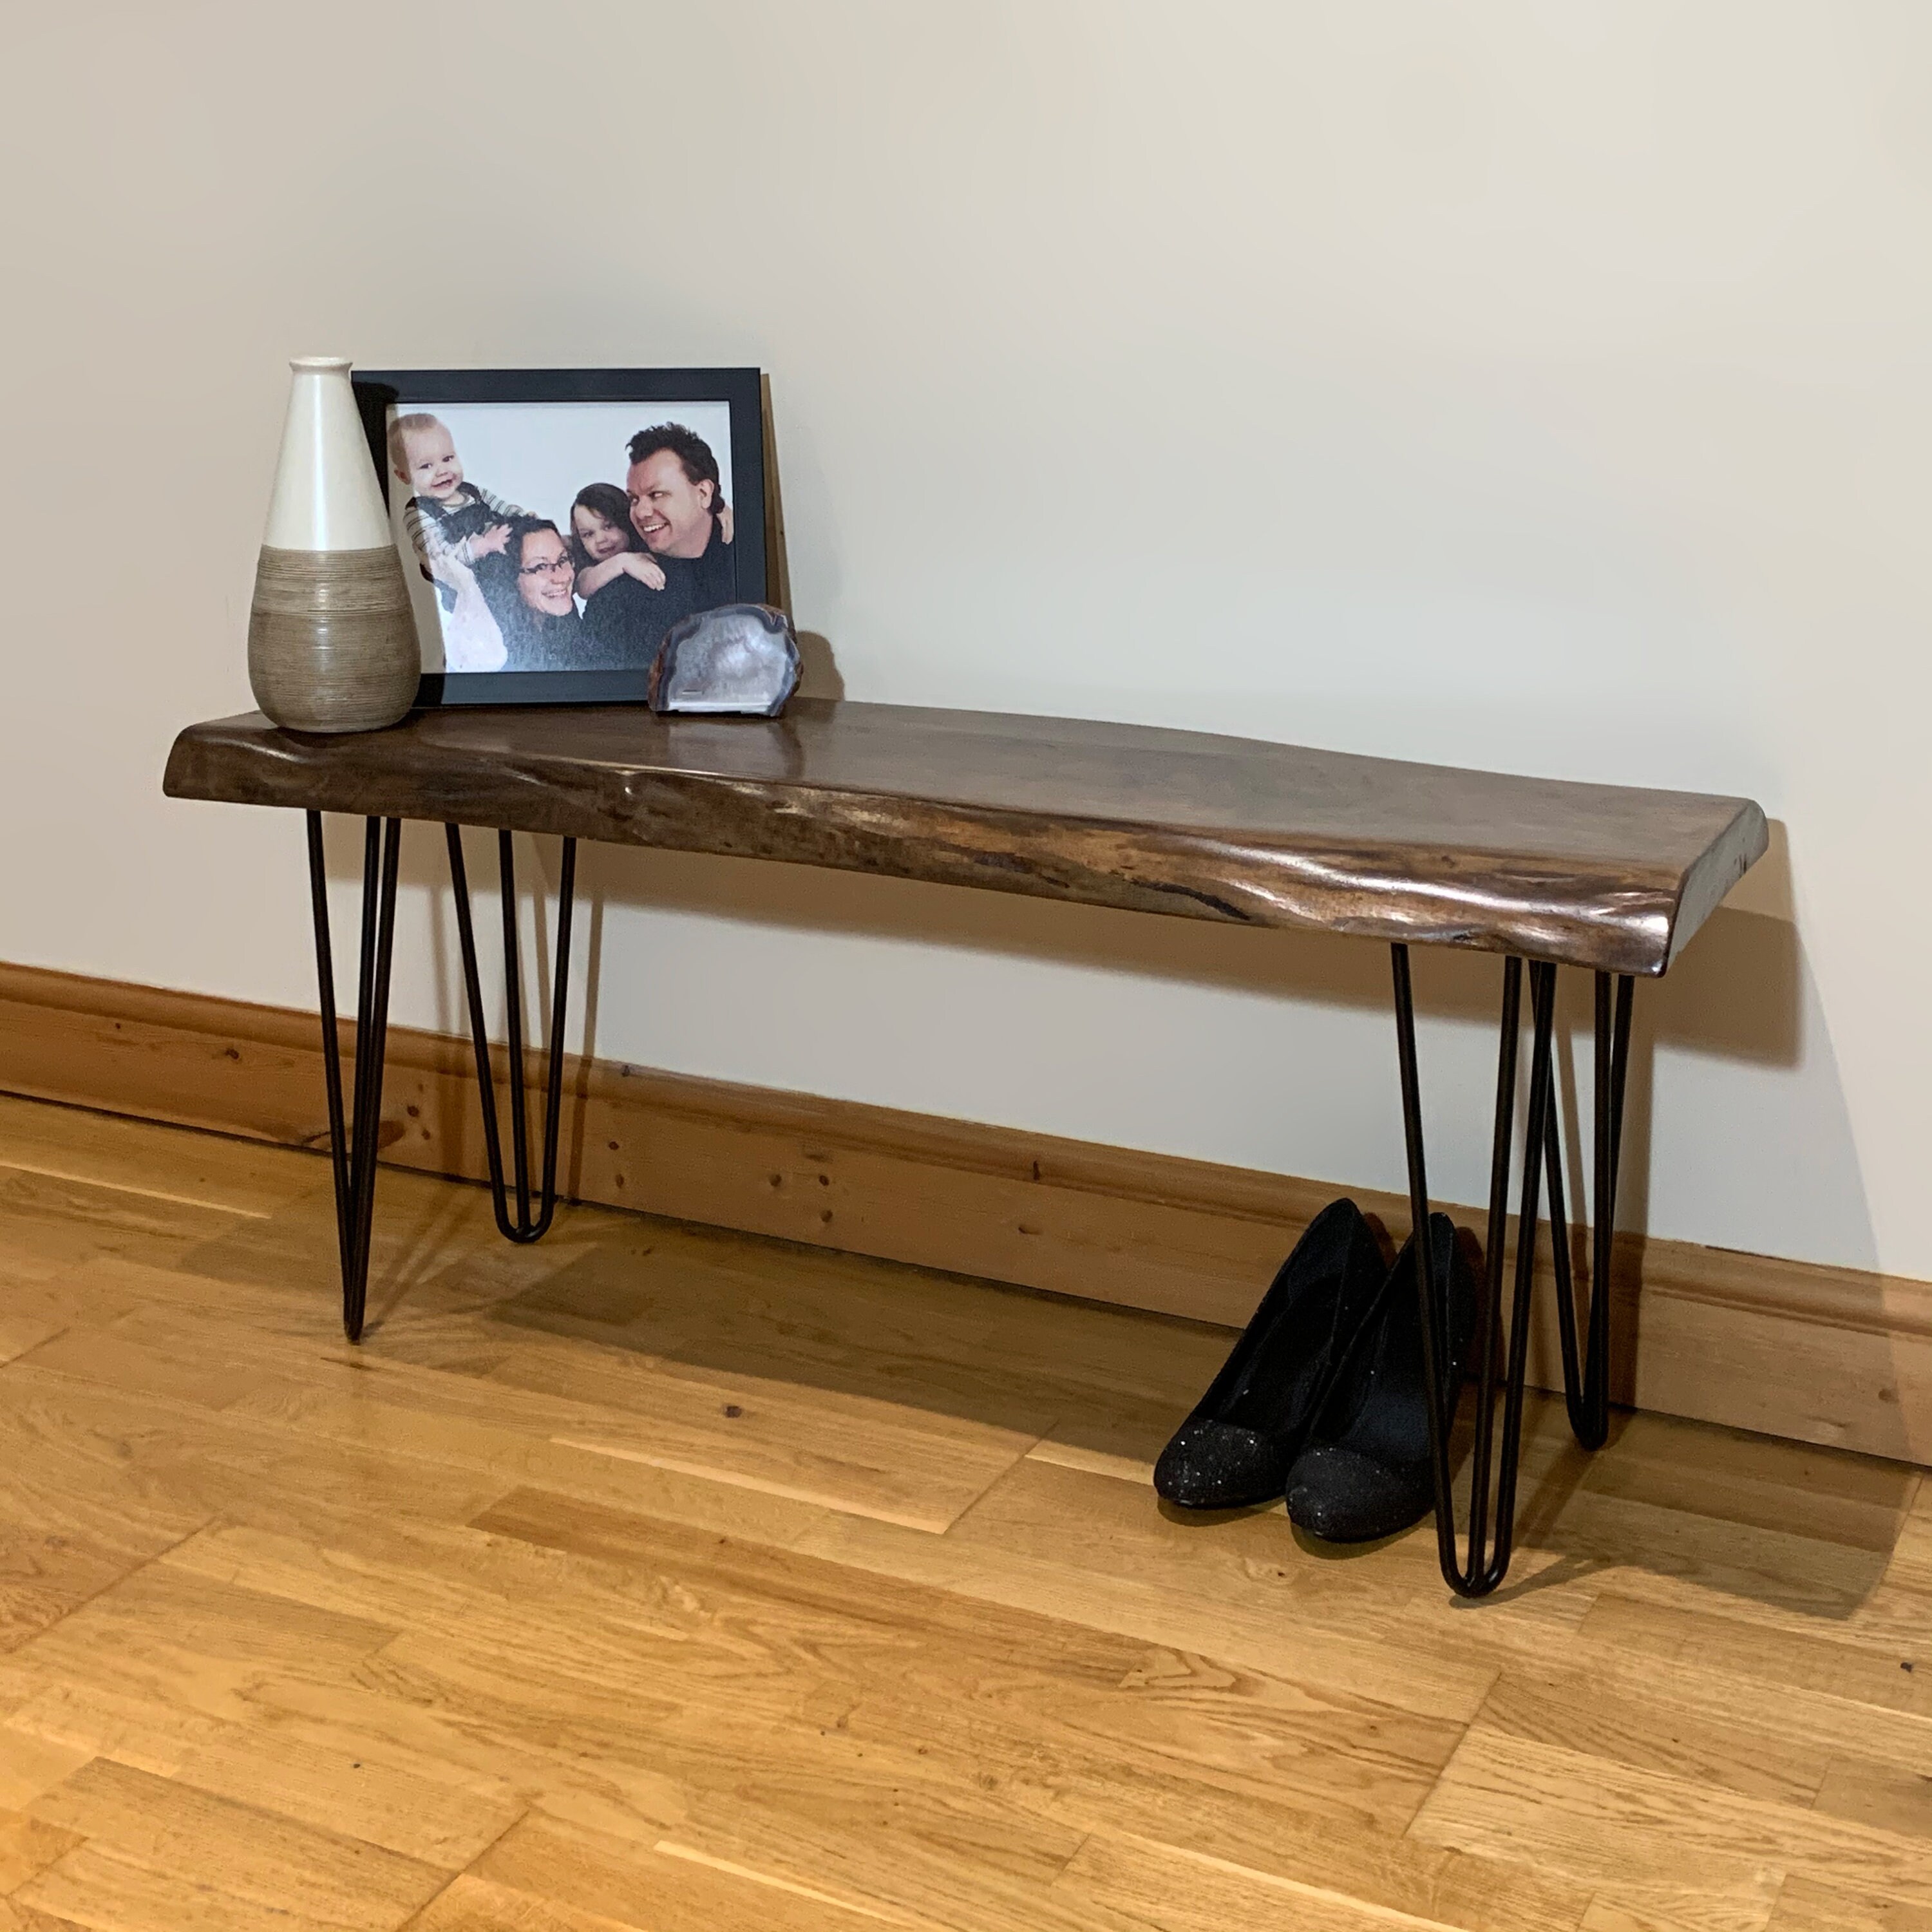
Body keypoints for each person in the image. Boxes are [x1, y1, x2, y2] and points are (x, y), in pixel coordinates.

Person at [624, 423, 739, 645]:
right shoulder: (618, 593)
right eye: (634, 499)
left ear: (704, 493)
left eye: (657, 494)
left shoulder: (748, 561)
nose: (641, 512)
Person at [388, 413, 526, 584]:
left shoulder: (474, 492)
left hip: (506, 569)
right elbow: (442, 560)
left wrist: (524, 519)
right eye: (426, 466)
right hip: (471, 588)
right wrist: (483, 545)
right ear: (403, 476)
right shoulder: (418, 514)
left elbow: (505, 509)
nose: (442, 471)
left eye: (447, 458)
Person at [474, 517, 603, 670]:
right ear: (509, 578)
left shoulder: (560, 617)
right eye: (540, 566)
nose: (562, 577)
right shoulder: (490, 645)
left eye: (563, 559)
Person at [567, 482, 667, 665]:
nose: (600, 540)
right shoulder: (585, 562)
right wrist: (623, 562)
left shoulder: (655, 543)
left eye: (608, 526)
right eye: (588, 534)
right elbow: (583, 585)